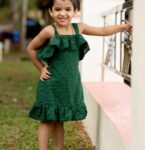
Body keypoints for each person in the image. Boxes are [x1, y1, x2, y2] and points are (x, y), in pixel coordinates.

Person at [27, 0, 132, 150]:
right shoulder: (49, 31)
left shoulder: (79, 28)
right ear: (51, 11)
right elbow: (31, 49)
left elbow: (101, 31)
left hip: (70, 83)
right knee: (47, 119)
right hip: (51, 83)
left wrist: (122, 27)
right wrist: (41, 68)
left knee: (59, 119)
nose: (62, 13)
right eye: (57, 9)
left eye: (67, 9)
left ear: (75, 12)